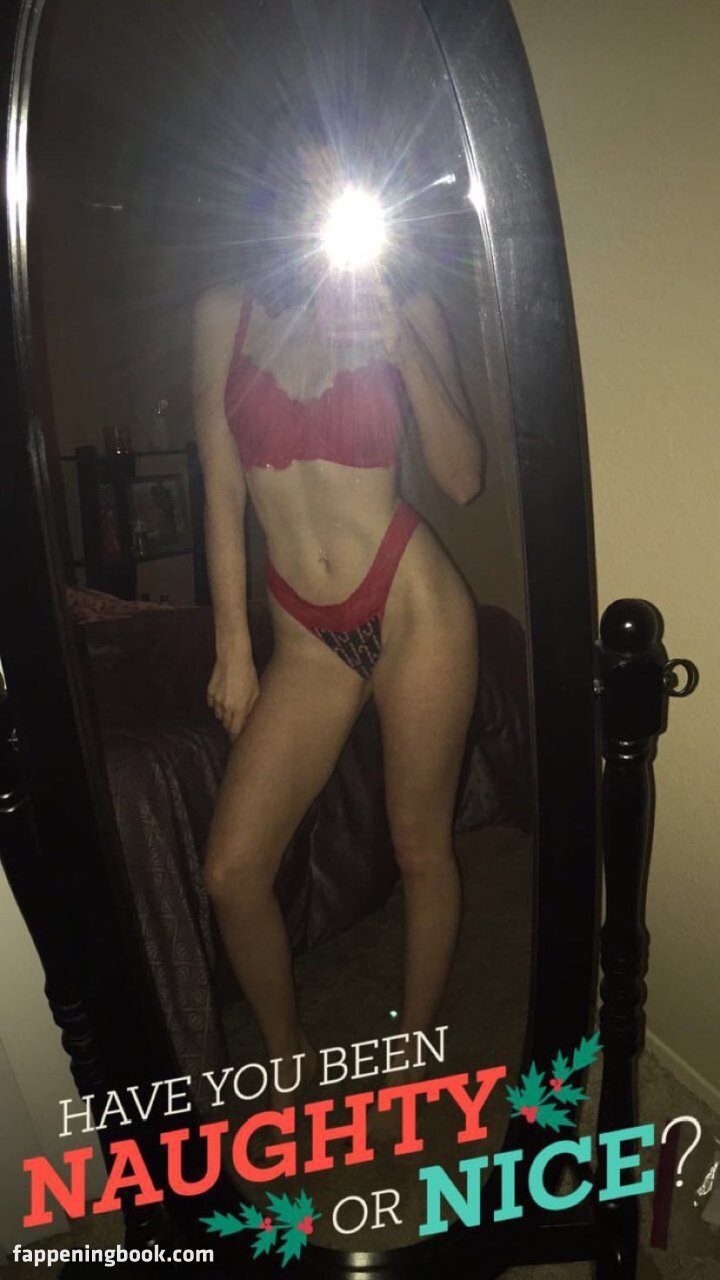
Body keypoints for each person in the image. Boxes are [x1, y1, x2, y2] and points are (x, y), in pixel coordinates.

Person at [192, 124, 485, 1112]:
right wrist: (232, 643)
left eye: (343, 192)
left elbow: (464, 476)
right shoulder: (225, 313)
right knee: (232, 870)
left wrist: (405, 348)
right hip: (303, 633)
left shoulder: (409, 303)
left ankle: (412, 1048)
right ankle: (287, 1058)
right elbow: (220, 482)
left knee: (419, 845)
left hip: (412, 603)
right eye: (305, 192)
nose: (323, 209)